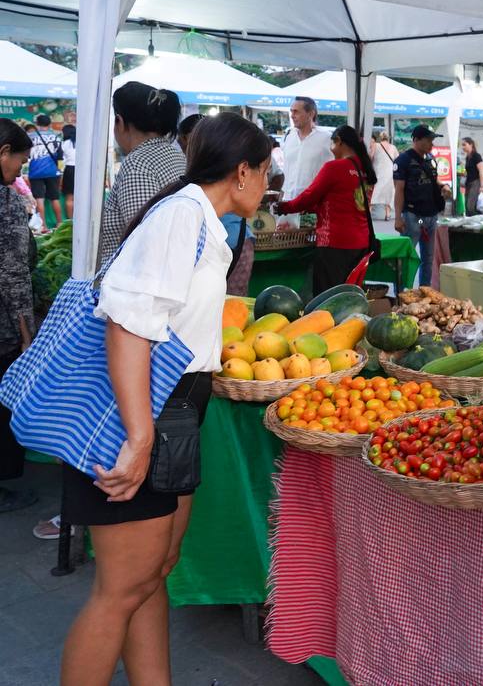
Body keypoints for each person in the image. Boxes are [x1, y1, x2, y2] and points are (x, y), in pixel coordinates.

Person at [55, 112, 271, 686]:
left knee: (153, 573)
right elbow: (127, 326)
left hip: (175, 411)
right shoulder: (180, 216)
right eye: (265, 172)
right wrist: (140, 436)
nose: (268, 185)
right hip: (142, 412)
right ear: (242, 171)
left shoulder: (201, 219)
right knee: (120, 591)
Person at [276, 125, 378, 295]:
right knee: (349, 295)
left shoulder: (334, 167)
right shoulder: (366, 170)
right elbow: (348, 203)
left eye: (332, 144)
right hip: (361, 242)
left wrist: (284, 207)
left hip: (335, 242)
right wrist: (316, 208)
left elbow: (309, 196)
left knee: (328, 297)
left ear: (339, 142)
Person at [98, 83, 186, 266]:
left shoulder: (138, 164)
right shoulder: (176, 155)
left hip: (134, 276)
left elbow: (146, 240)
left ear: (119, 122)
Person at [0, 119, 35, 513]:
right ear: (3, 152)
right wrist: (27, 332)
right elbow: (12, 274)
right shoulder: (6, 202)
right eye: (19, 162)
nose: (19, 172)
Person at [394, 125, 451, 287]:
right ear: (416, 139)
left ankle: (424, 290)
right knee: (407, 257)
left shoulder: (430, 158)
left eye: (432, 140)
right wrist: (398, 217)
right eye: (428, 140)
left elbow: (434, 179)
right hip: (413, 216)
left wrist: (444, 186)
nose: (431, 143)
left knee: (428, 258)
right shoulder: (403, 160)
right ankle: (402, 292)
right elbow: (399, 190)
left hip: (431, 216)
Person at [280, 96, 332, 208]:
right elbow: (287, 170)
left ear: (311, 114)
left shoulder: (327, 138)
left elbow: (335, 169)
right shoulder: (289, 136)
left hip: (314, 204)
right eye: (291, 111)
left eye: (296, 112)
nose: (292, 115)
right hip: (288, 201)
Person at [26, 113, 62, 230]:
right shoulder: (56, 136)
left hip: (35, 172)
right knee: (55, 198)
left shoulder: (30, 136)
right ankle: (59, 223)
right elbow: (60, 156)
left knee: (39, 199)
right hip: (52, 171)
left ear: (37, 124)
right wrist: (59, 170)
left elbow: (26, 154)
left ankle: (43, 226)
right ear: (49, 124)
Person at [370, 131, 398, 221]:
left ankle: (369, 212)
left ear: (380, 137)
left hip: (378, 172)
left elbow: (371, 156)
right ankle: (387, 214)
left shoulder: (376, 145)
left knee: (375, 191)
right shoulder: (393, 147)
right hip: (390, 173)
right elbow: (397, 160)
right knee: (389, 193)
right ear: (388, 138)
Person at [460, 136, 483, 217]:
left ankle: (480, 218)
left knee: (470, 206)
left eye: (464, 145)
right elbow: (469, 171)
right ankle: (470, 221)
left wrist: (482, 186)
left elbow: (481, 171)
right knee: (467, 206)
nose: (463, 147)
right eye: (462, 145)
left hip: (475, 182)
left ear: (471, 144)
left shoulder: (476, 156)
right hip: (468, 182)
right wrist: (464, 174)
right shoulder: (468, 157)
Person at [61, 122, 76, 220]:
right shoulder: (83, 142)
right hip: (83, 171)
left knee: (69, 198)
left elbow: (61, 161)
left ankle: (71, 221)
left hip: (69, 169)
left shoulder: (65, 144)